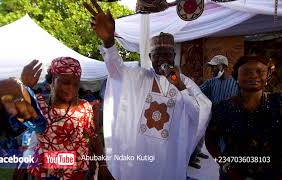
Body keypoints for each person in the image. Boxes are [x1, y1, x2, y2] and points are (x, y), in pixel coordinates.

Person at [83, 1, 212, 180]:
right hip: (139, 157)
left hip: (168, 156)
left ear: (174, 57)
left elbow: (198, 111)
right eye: (157, 55)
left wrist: (180, 88)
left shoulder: (184, 83)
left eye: (167, 55)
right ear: (150, 58)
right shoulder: (139, 76)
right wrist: (108, 41)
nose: (162, 59)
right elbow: (116, 70)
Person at [17, 58, 113, 179]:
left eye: (76, 84)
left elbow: (93, 137)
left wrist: (103, 165)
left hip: (78, 173)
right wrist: (24, 87)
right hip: (47, 171)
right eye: (66, 82)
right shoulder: (38, 104)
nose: (71, 88)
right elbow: (17, 118)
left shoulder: (83, 107)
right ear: (52, 79)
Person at [205, 55, 282, 180]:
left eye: (260, 71)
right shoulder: (223, 107)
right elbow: (210, 141)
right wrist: (225, 165)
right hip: (233, 175)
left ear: (267, 77)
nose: (254, 75)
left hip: (273, 175)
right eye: (247, 72)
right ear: (236, 77)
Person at [189, 55, 239, 169]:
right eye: (211, 68)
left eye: (214, 67)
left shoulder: (236, 84)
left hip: (227, 121)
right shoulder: (211, 83)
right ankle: (192, 156)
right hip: (210, 117)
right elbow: (197, 92)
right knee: (199, 136)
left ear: (222, 67)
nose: (212, 70)